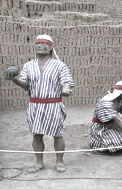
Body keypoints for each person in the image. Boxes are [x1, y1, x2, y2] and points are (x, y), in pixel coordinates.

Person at [5, 34, 75, 172]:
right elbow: (24, 83)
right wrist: (13, 79)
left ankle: (59, 162)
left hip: (53, 105)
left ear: (50, 47)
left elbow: (66, 81)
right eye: (38, 44)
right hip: (35, 105)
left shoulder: (59, 65)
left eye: (44, 44)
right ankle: (39, 162)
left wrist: (66, 89)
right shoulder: (29, 65)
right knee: (36, 134)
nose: (40, 46)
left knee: (57, 134)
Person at [90, 81, 122, 154]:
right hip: (102, 127)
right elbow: (117, 119)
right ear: (121, 92)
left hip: (112, 124)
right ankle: (99, 148)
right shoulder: (107, 102)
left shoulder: (120, 100)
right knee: (119, 141)